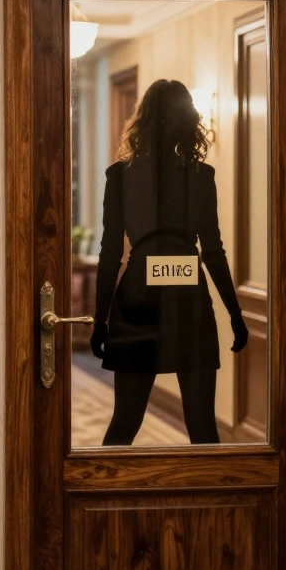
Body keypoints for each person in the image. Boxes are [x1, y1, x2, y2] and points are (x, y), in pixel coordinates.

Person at [91, 79, 249, 446]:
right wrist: (235, 314)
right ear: (187, 119)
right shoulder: (200, 176)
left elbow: (110, 255)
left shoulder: (120, 177)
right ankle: (207, 489)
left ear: (144, 120)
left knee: (124, 422)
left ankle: (106, 484)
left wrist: (100, 320)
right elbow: (212, 251)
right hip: (187, 299)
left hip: (137, 299)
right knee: (203, 427)